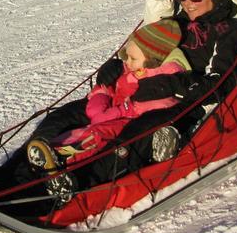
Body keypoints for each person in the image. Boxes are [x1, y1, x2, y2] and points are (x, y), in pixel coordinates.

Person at [14, 0, 237, 205]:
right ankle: (18, 171)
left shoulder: (228, 31)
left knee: (132, 134)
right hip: (133, 91)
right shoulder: (178, 22)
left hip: (180, 103)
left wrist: (172, 85)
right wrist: (118, 67)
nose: (188, 3)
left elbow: (223, 83)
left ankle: (78, 183)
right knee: (68, 114)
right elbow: (146, 50)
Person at [22, 19, 188, 200]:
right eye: (127, 56)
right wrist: (99, 97)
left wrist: (114, 112)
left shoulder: (159, 82)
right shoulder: (130, 70)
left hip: (127, 121)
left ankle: (64, 172)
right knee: (77, 130)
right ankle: (48, 158)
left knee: (97, 137)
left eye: (133, 58)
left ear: (152, 61)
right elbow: (108, 89)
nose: (127, 62)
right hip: (109, 114)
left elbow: (153, 107)